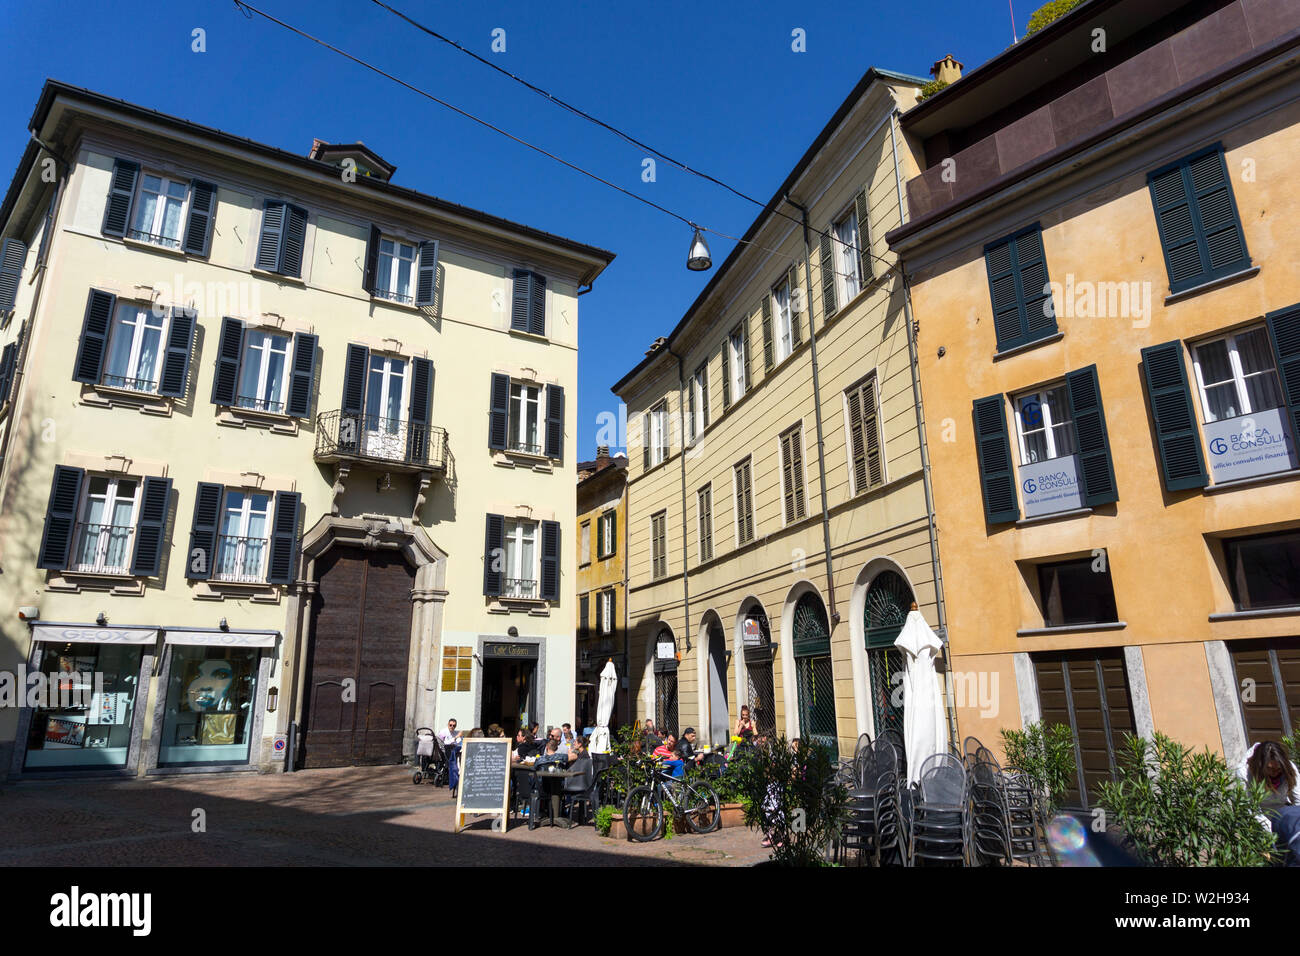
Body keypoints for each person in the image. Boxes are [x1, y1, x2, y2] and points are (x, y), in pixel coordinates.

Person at [1238, 740, 1300, 866]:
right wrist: (1270, 833)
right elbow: (1250, 808)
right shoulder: (1244, 773)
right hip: (1257, 821)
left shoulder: (1289, 769)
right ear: (1260, 765)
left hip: (1283, 816)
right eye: (1270, 769)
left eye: (1278, 769)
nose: (1274, 773)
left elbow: (1298, 800)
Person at [437, 719, 463, 796]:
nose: (452, 727)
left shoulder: (455, 732)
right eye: (450, 725)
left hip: (454, 750)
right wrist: (455, 738)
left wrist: (457, 738)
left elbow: (459, 742)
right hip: (445, 751)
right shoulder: (443, 732)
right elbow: (444, 743)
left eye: (454, 725)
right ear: (448, 724)